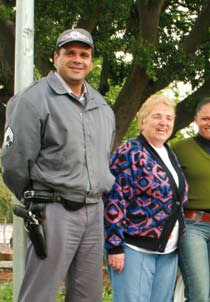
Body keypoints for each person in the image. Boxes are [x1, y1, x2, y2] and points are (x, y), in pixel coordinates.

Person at [1, 28, 115, 301]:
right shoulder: (32, 100)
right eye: (70, 53)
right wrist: (38, 199)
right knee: (39, 294)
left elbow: (103, 159)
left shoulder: (102, 106)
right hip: (52, 209)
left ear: (91, 61)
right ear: (56, 57)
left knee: (88, 295)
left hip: (93, 210)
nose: (78, 59)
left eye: (84, 54)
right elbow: (14, 164)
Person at [104, 94, 187, 302]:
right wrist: (114, 246)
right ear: (142, 122)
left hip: (167, 252)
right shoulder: (129, 152)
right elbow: (114, 200)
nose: (164, 122)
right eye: (157, 116)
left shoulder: (170, 154)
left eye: (169, 118)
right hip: (135, 249)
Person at [172, 98, 210, 302]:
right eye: (206, 118)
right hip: (192, 226)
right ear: (196, 119)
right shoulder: (179, 149)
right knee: (198, 294)